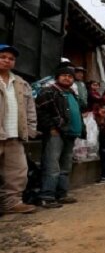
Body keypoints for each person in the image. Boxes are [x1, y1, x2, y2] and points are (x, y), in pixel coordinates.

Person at [36, 64, 86, 208]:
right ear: (57, 77)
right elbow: (40, 112)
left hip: (70, 134)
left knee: (65, 166)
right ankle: (46, 195)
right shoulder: (48, 91)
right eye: (63, 75)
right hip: (56, 133)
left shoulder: (72, 94)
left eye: (70, 76)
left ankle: (61, 194)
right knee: (52, 165)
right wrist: (51, 127)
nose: (67, 78)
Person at [0, 44, 37, 214]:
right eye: (3, 57)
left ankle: (12, 203)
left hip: (14, 134)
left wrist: (30, 128)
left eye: (11, 59)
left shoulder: (21, 83)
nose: (7, 61)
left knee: (17, 172)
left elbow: (30, 108)